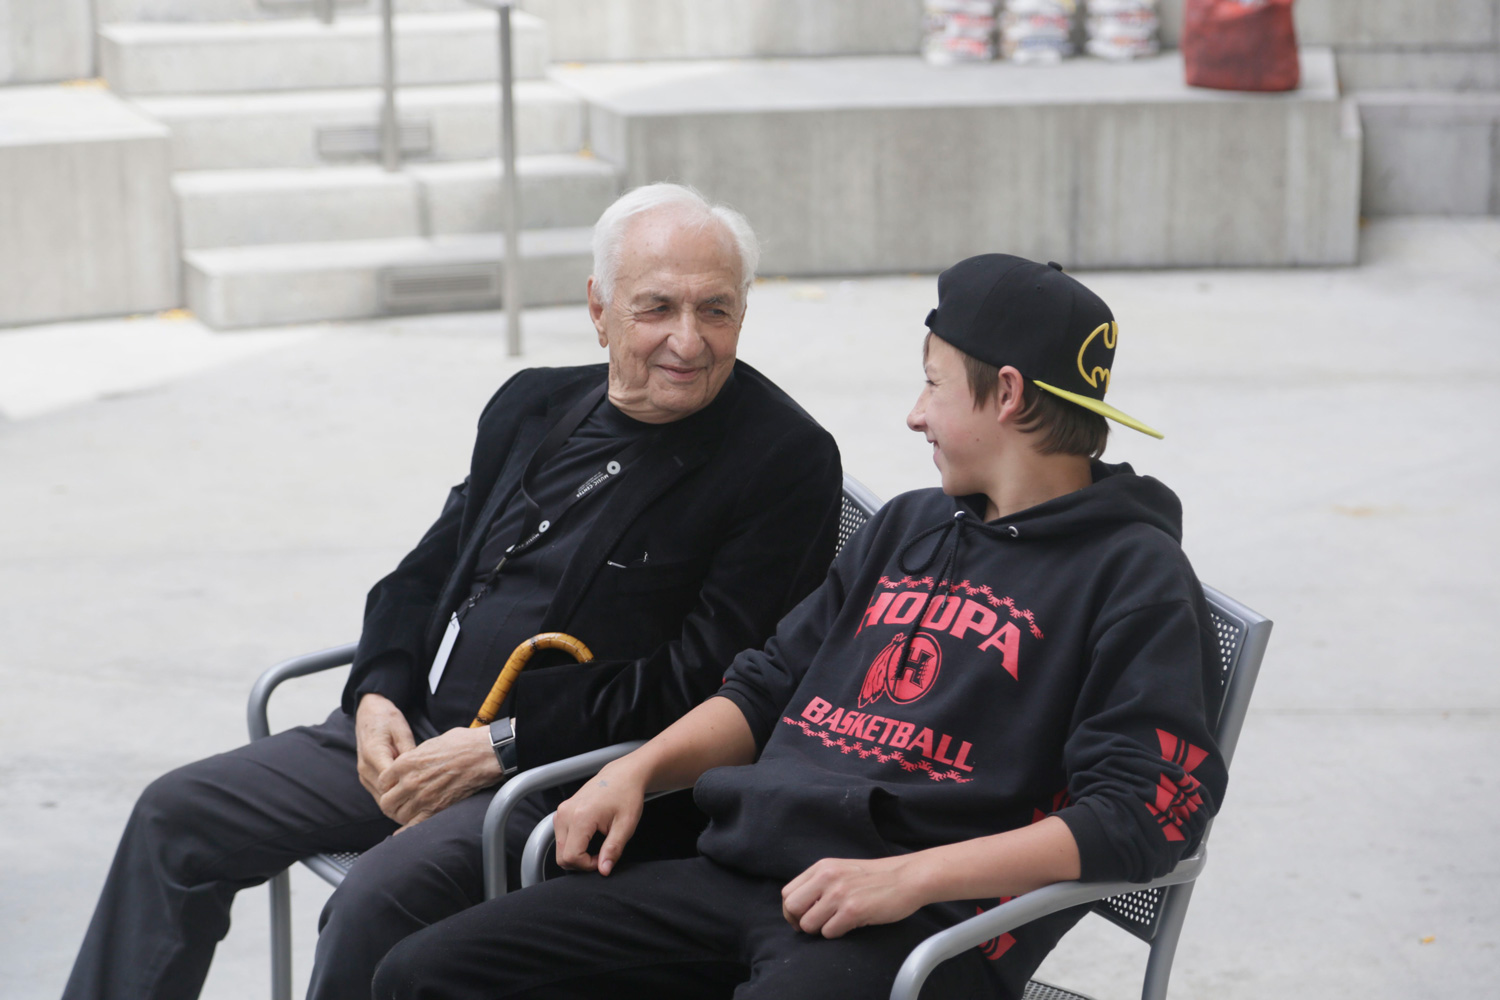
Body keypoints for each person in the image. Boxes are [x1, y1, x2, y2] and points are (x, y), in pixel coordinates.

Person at [372, 254, 1229, 1000]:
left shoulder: (1136, 578)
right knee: (422, 975)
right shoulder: (908, 528)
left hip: (919, 934)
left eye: (933, 381)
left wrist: (907, 878)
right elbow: (763, 687)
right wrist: (637, 770)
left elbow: (1143, 817)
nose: (915, 414)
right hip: (740, 874)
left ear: (1005, 393)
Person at [63, 183, 843, 1000]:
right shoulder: (533, 403)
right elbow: (424, 572)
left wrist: (501, 747)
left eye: (715, 310)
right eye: (656, 308)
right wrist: (377, 692)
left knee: (375, 904)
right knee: (175, 815)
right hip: (424, 729)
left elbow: (706, 681)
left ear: (744, 313)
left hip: (562, 781)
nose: (688, 340)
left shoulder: (781, 460)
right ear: (599, 308)